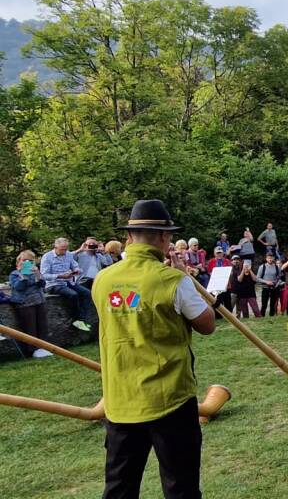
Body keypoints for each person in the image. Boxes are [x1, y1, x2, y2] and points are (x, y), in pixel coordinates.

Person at [91, 199, 216, 498]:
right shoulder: (171, 280)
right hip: (169, 397)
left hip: (121, 398)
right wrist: (184, 274)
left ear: (131, 237)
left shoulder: (102, 279)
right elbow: (207, 324)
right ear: (163, 237)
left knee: (120, 487)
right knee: (180, 485)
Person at [40, 237, 94, 332]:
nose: (64, 251)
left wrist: (77, 270)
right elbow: (44, 275)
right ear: (55, 247)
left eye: (66, 249)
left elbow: (75, 265)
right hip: (54, 284)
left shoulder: (68, 254)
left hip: (68, 281)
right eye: (62, 249)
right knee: (73, 295)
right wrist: (60, 276)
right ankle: (76, 320)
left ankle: (82, 319)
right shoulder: (47, 257)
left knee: (87, 293)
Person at [9, 250, 52, 358]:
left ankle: (44, 347)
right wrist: (23, 275)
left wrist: (37, 273)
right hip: (25, 304)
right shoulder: (14, 274)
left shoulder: (35, 272)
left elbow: (42, 284)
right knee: (30, 327)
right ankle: (32, 350)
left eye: (30, 260)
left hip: (39, 301)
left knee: (42, 325)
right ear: (18, 262)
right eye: (24, 260)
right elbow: (19, 287)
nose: (27, 262)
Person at [257, 252, 281, 317]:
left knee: (272, 304)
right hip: (265, 288)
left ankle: (271, 316)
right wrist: (266, 282)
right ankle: (262, 316)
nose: (270, 259)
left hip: (274, 288)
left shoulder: (276, 267)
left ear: (273, 258)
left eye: (271, 258)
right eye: (268, 258)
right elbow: (258, 278)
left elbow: (279, 277)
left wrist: (277, 283)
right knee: (264, 304)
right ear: (266, 258)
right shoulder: (262, 267)